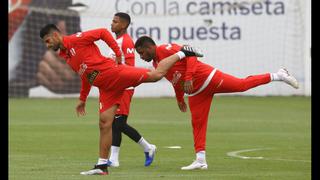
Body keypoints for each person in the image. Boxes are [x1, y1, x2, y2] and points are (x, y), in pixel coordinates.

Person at [39, 23, 202, 175]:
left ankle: (183, 52)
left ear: (55, 35)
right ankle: (102, 166)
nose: (47, 45)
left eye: (47, 41)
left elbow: (102, 32)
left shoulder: (76, 39)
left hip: (114, 73)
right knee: (104, 123)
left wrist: (118, 53)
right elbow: (86, 77)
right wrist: (83, 98)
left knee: (155, 75)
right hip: (106, 88)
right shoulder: (66, 56)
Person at [134, 36, 299, 170]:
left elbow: (190, 53)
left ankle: (278, 75)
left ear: (149, 47)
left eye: (141, 53)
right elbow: (175, 81)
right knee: (197, 124)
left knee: (241, 85)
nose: (141, 57)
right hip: (196, 93)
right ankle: (200, 160)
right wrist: (179, 98)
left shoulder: (165, 49)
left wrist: (190, 76)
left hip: (209, 78)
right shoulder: (157, 64)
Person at [107, 12, 156, 168]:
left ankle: (148, 147)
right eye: (112, 21)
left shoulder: (126, 42)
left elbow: (128, 67)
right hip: (116, 87)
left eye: (115, 22)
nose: (112, 24)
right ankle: (114, 159)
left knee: (119, 123)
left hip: (124, 87)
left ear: (124, 25)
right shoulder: (117, 41)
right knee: (115, 123)